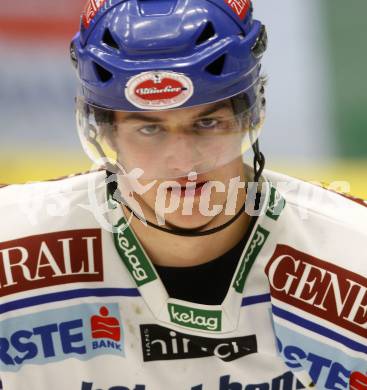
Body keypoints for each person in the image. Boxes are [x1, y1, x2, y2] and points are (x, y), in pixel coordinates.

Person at [0, 1, 366, 389]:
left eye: (207, 123)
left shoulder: (354, 259)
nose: (183, 161)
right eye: (149, 130)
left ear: (250, 116)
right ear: (105, 134)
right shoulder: (12, 253)